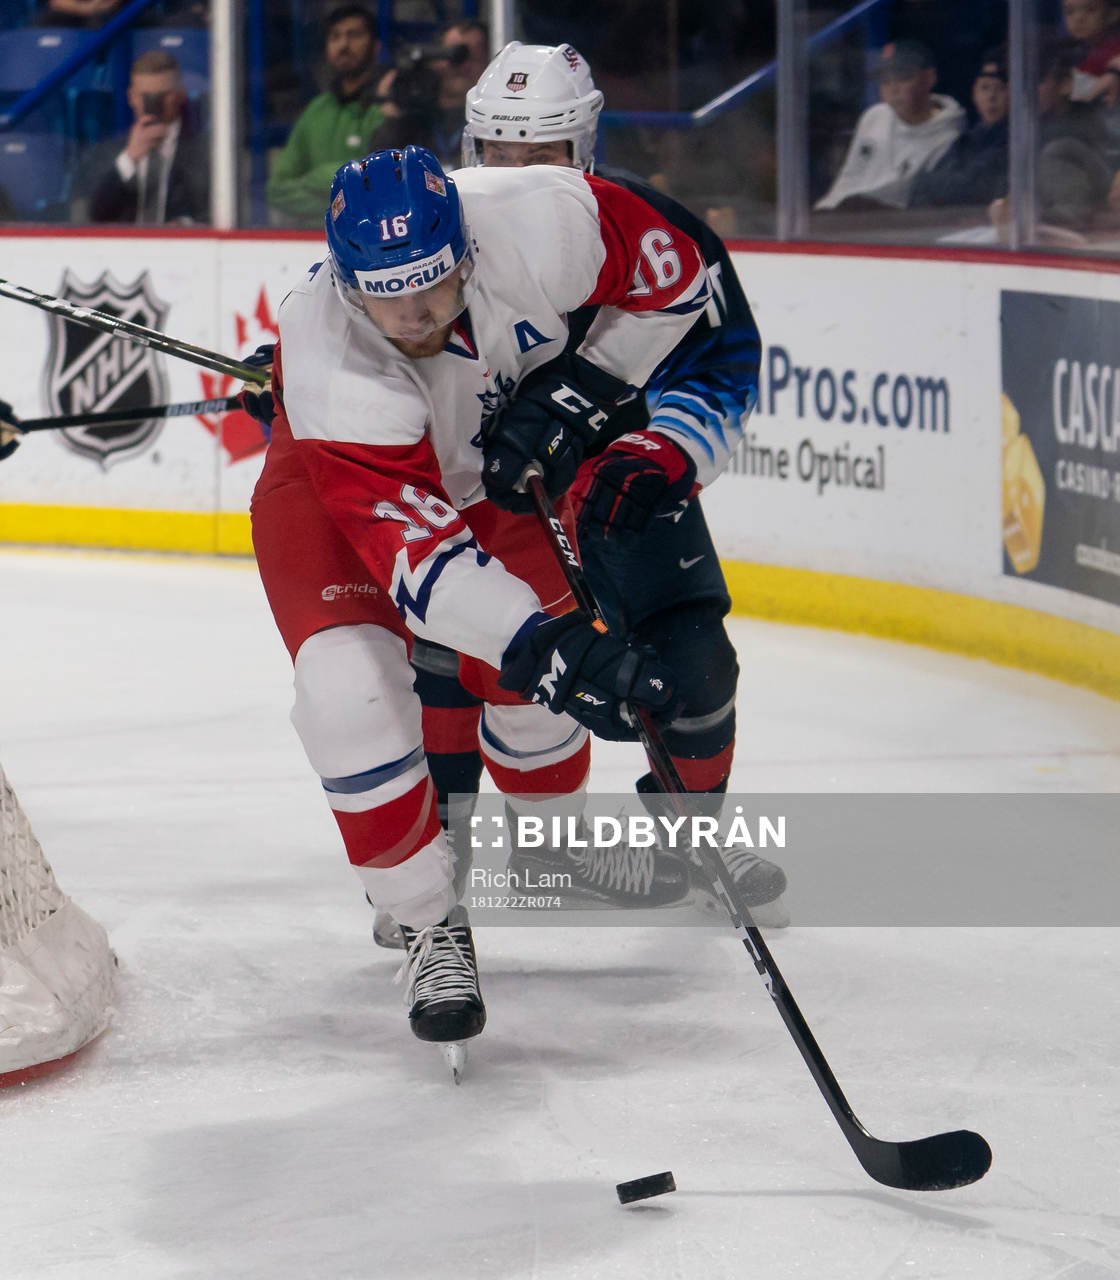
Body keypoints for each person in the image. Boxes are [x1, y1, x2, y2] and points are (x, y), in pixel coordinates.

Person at [250, 144, 711, 1053]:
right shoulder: (330, 360)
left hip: (493, 477)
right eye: (387, 295)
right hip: (338, 500)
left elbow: (680, 280)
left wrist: (586, 388)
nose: (415, 317)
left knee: (537, 707)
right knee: (353, 699)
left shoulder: (545, 218)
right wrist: (551, 645)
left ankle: (554, 846)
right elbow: (429, 576)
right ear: (346, 283)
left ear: (467, 248)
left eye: (434, 285)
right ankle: (428, 923)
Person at [361, 42, 786, 954]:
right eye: (498, 156)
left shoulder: (639, 226)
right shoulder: (435, 233)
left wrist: (655, 450)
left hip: (617, 491)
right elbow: (358, 328)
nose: (516, 179)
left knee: (696, 667)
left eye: (541, 157)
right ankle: (437, 878)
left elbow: (720, 355)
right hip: (490, 498)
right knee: (451, 666)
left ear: (584, 148)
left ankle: (696, 840)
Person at [266, 5, 386, 227]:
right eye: (335, 37)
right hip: (315, 242)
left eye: (354, 35)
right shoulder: (316, 110)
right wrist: (342, 192)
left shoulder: (386, 107)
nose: (343, 45)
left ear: (376, 45)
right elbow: (278, 190)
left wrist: (317, 179)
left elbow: (380, 186)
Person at [815, 39, 965, 212]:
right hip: (843, 219)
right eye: (885, 80)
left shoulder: (950, 137)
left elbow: (907, 200)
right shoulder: (875, 116)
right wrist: (825, 208)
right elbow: (849, 177)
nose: (893, 88)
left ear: (929, 78)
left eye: (902, 77)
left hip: (892, 226)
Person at [84, 50, 208, 225]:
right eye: (146, 96)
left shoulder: (204, 154)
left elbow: (216, 212)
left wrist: (186, 226)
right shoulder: (106, 153)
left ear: (180, 95)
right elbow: (93, 215)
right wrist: (129, 159)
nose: (154, 104)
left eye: (163, 95)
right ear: (131, 97)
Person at [367, 19, 489, 169]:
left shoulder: (489, 125)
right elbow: (379, 167)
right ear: (435, 60)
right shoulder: (414, 122)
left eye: (474, 56)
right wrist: (392, 114)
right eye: (453, 55)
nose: (463, 65)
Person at [909, 49, 1009, 208]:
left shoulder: (1014, 143)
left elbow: (967, 188)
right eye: (985, 88)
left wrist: (933, 184)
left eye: (1000, 88)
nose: (991, 97)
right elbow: (919, 187)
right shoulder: (963, 141)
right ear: (974, 94)